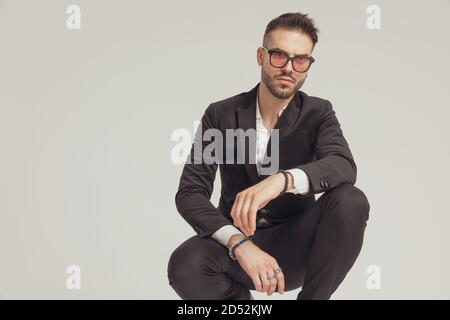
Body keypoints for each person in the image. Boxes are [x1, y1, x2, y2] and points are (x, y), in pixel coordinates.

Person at [167, 12, 370, 300]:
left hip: (296, 247)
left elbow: (343, 165)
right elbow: (190, 192)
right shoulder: (221, 114)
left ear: (308, 66)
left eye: (300, 60)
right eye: (279, 56)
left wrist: (281, 180)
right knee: (186, 264)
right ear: (261, 55)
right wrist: (238, 242)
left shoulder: (318, 112)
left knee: (351, 200)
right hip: (237, 249)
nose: (289, 68)